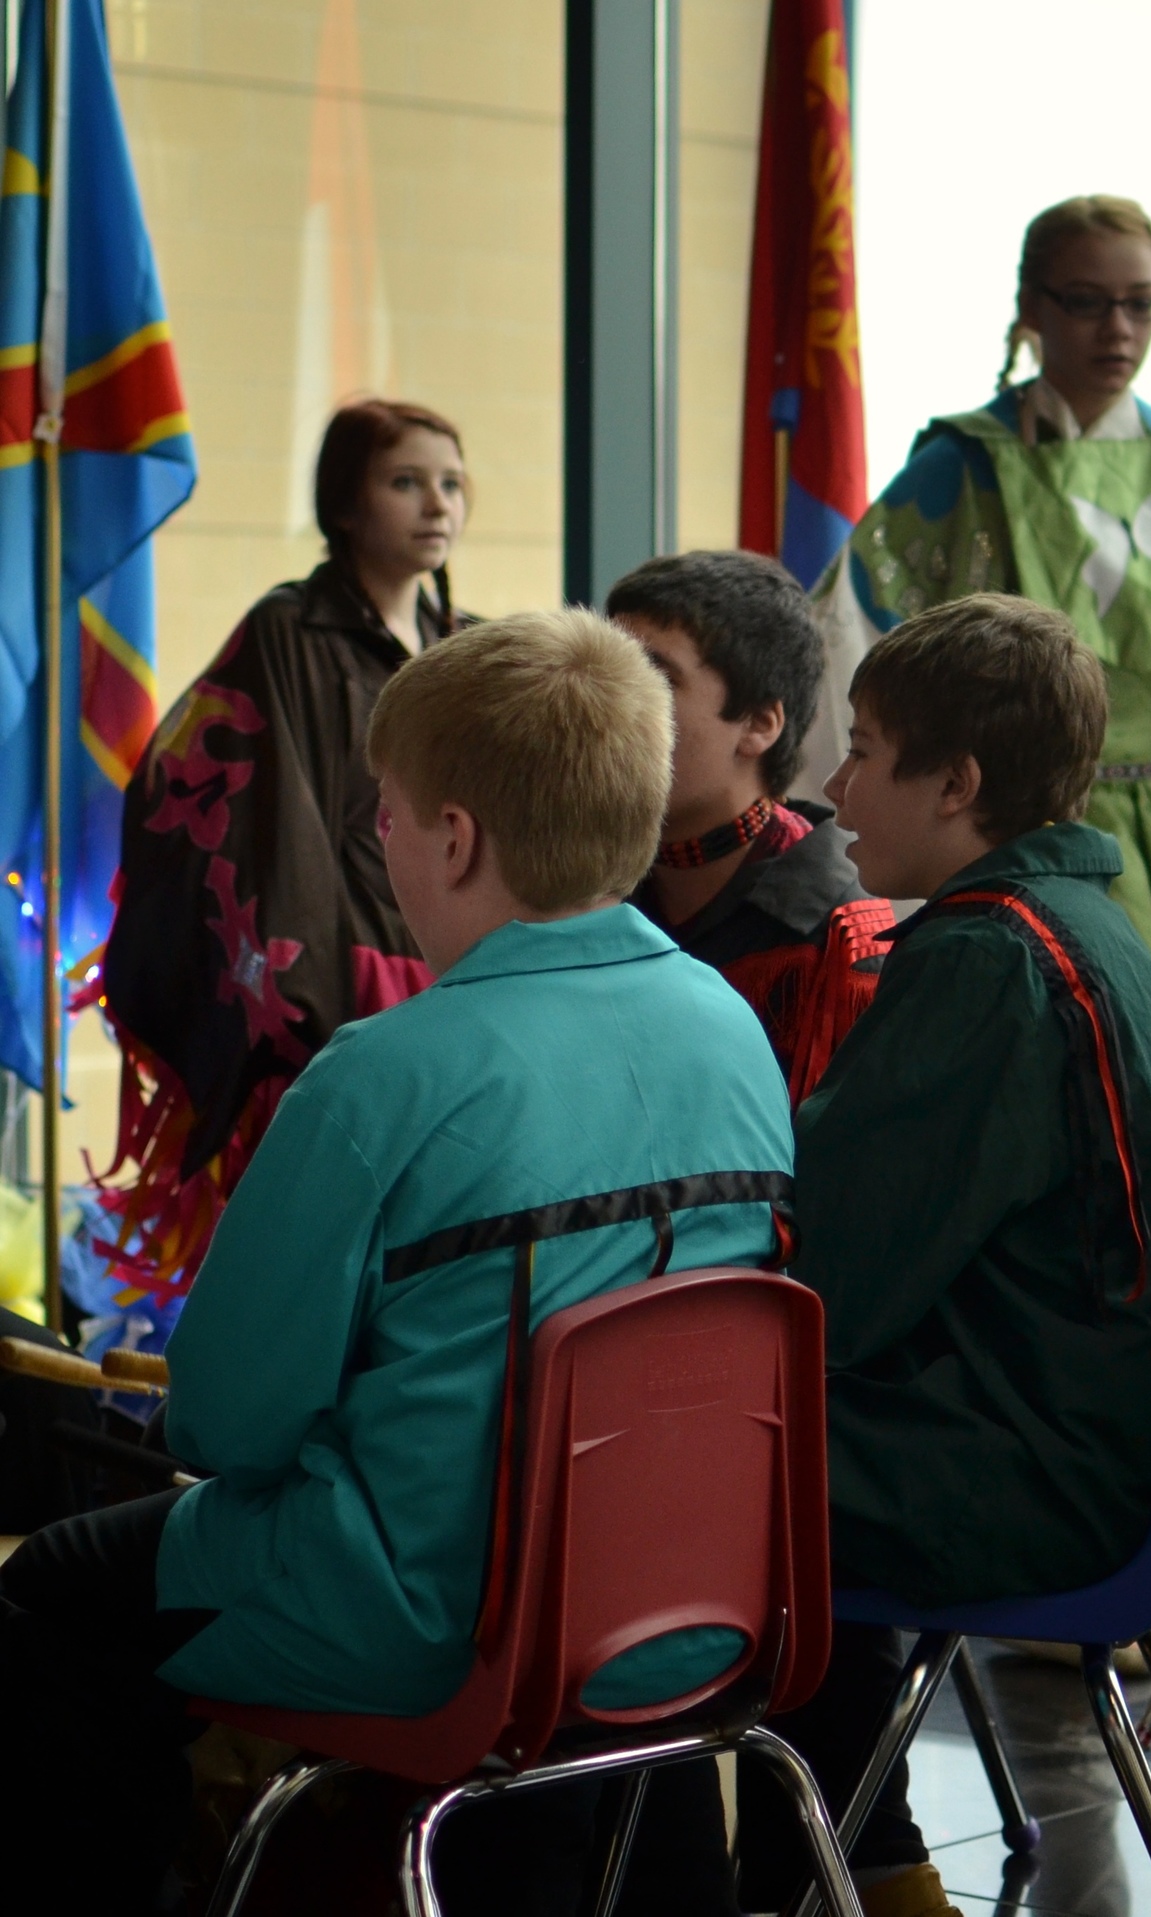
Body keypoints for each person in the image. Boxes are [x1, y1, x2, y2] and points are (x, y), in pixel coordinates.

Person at [0, 610, 795, 1917]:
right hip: (686, 1599)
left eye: (384, 810)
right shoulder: (730, 1025)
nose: (374, 836)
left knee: (51, 1586)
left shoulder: (382, 1072)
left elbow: (226, 1423)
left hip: (442, 1619)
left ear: (456, 836)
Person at [742, 593, 1151, 1917]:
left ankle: (771, 1875)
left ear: (956, 783)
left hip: (1037, 1476)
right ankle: (849, 1862)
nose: (834, 790)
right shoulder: (1094, 928)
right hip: (1107, 1447)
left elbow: (832, 1289)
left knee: (677, 1472)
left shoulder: (985, 964)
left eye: (862, 748)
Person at [807, 197, 1151, 1003]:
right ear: (1032, 305)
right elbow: (845, 639)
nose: (1118, 329)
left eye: (1140, 303)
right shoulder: (964, 466)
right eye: (1087, 301)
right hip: (1012, 833)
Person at [96, 399, 473, 1296]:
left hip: (452, 967)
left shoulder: (470, 647)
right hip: (336, 973)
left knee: (432, 1254)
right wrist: (312, 995)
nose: (437, 505)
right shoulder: (285, 631)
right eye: (406, 481)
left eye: (453, 483)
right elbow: (264, 818)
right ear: (344, 504)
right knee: (316, 1262)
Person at [610, 550, 895, 1100]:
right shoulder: (581, 886)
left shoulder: (841, 935)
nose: (609, 706)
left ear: (759, 725)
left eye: (653, 678)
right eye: (607, 671)